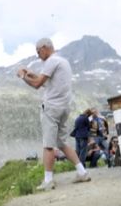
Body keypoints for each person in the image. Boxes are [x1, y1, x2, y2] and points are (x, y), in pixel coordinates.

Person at [17, 38, 91, 190]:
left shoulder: (51, 61)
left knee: (48, 144)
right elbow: (46, 82)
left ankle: (48, 180)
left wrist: (23, 76)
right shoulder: (63, 62)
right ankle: (82, 172)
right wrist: (31, 74)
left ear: (44, 48)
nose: (38, 55)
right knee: (62, 142)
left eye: (38, 52)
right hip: (64, 107)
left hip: (51, 107)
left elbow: (37, 85)